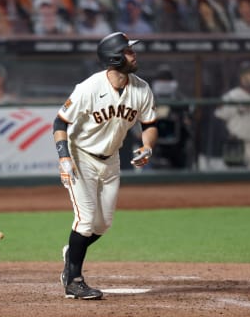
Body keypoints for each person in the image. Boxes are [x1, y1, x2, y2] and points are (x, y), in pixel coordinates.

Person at [52, 32, 158, 299]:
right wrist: (64, 157)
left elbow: (149, 125)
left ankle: (71, 253)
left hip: (111, 160)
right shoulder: (89, 88)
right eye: (128, 51)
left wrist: (148, 146)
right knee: (85, 221)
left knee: (103, 224)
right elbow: (60, 122)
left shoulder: (141, 88)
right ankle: (73, 280)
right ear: (114, 57)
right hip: (80, 157)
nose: (134, 55)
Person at [214, 60, 250, 169]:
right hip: (236, 145)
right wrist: (227, 135)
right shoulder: (232, 96)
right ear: (242, 76)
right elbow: (218, 118)